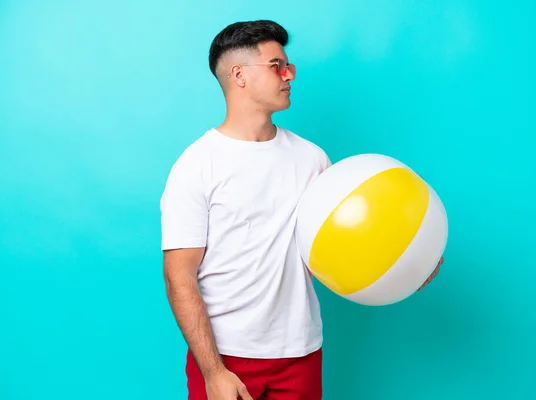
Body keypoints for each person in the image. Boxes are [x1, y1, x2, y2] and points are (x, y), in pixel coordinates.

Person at [160, 20, 442, 400]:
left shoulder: (311, 158)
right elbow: (180, 278)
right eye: (277, 65)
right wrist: (213, 371)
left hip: (301, 352)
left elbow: (330, 247)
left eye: (288, 64)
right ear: (238, 75)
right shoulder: (196, 165)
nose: (289, 73)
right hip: (227, 357)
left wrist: (408, 264)